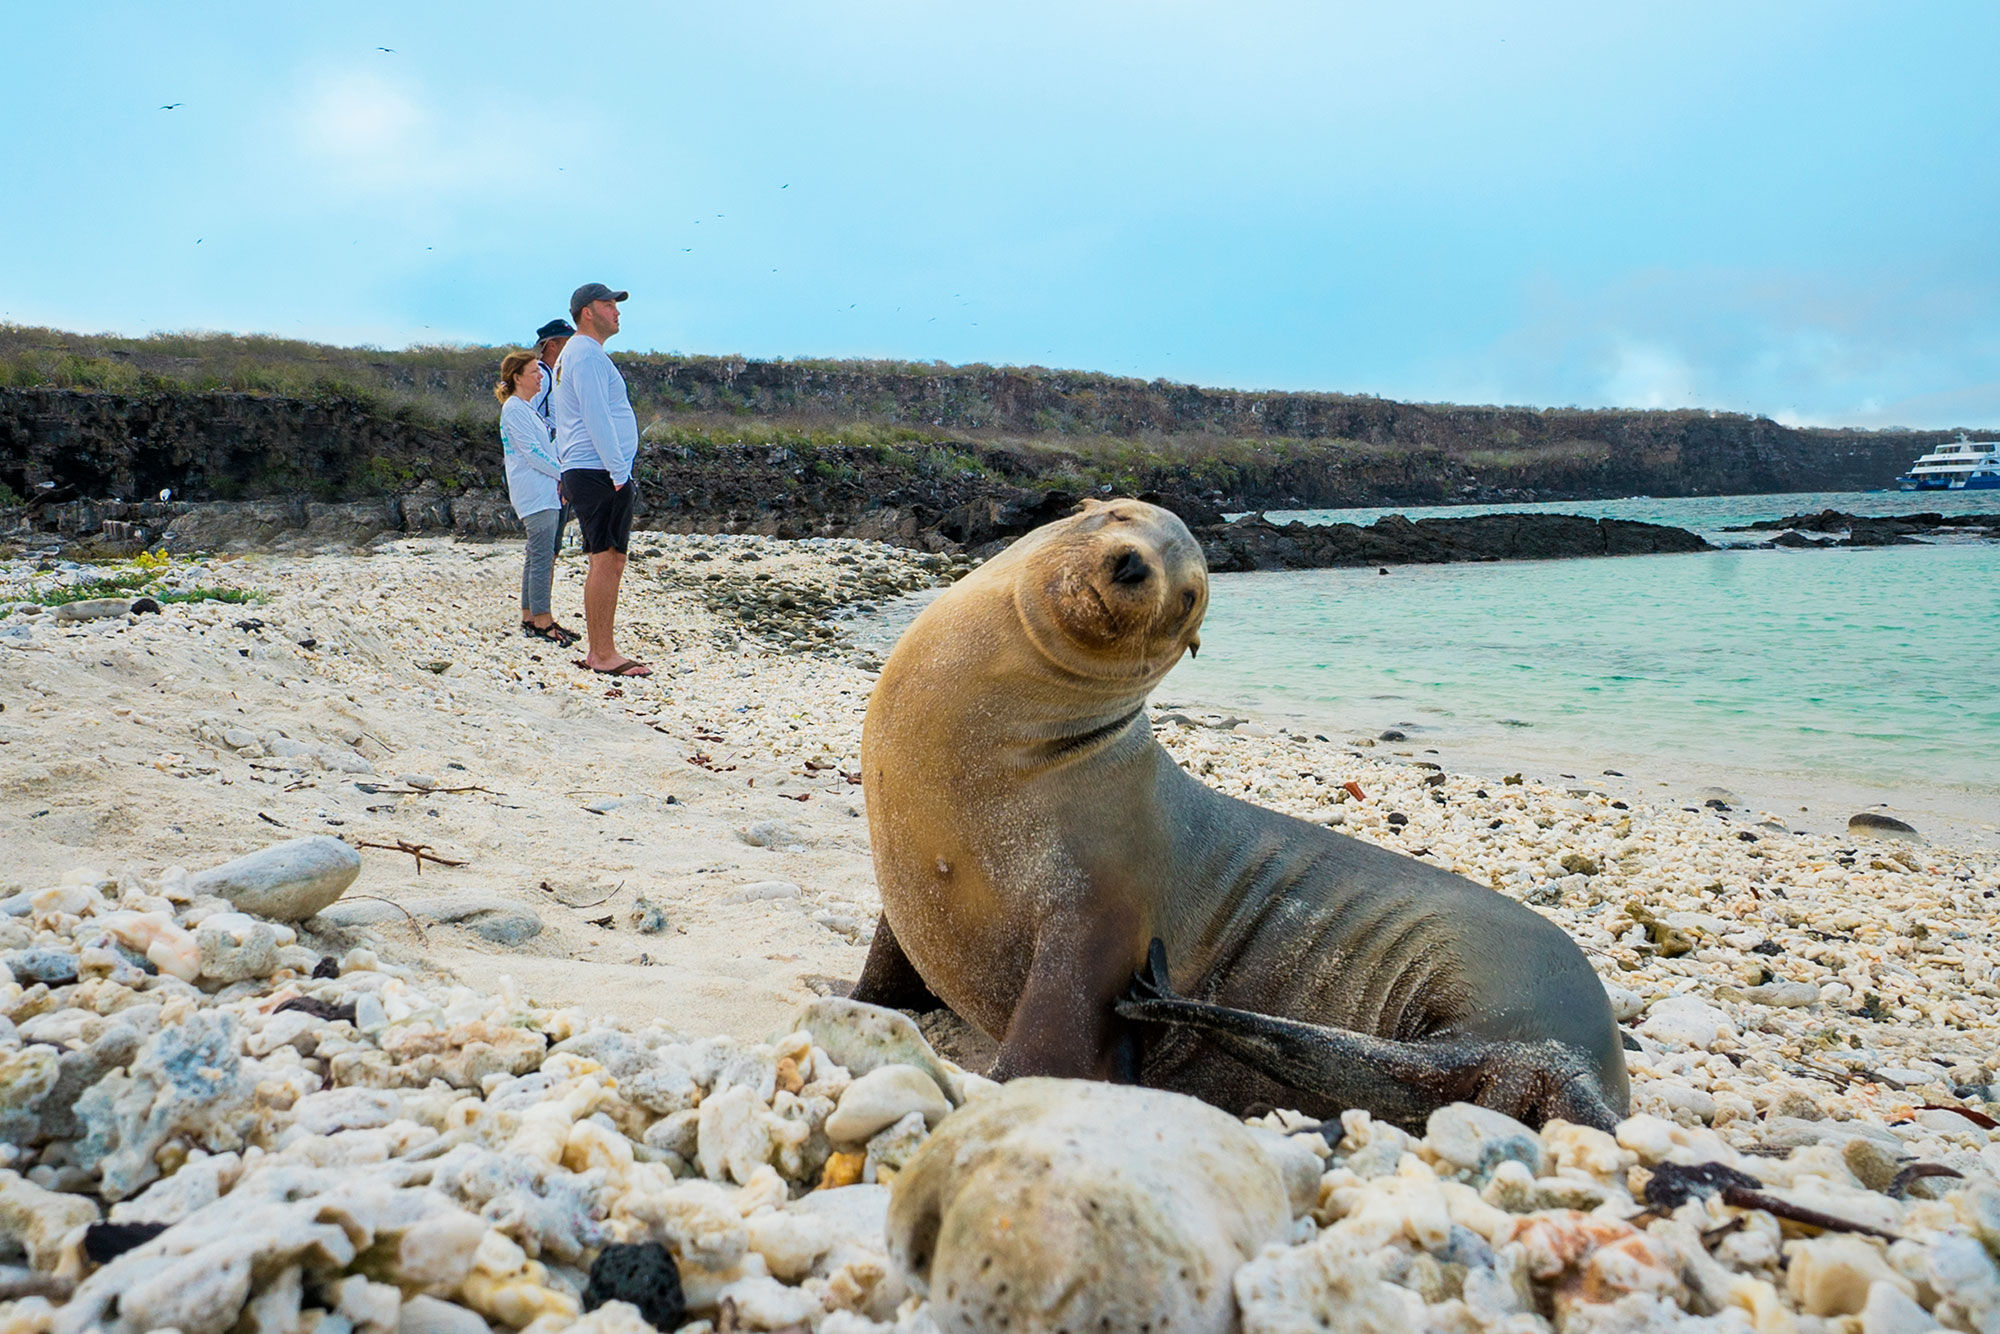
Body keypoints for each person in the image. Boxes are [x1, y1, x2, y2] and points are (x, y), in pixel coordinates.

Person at [552, 282, 650, 677]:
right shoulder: (586, 354)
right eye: (608, 303)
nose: (617, 310)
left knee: (608, 557)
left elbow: (567, 418)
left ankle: (601, 649)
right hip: (599, 469)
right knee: (607, 559)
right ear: (586, 311)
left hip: (588, 467)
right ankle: (602, 653)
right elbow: (595, 416)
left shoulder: (574, 354)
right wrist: (619, 471)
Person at [496, 351, 579, 646]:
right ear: (517, 377)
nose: (540, 376)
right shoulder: (515, 409)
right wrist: (563, 475)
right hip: (535, 492)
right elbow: (532, 453)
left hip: (541, 490)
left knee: (536, 554)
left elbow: (545, 448)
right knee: (543, 555)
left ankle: (530, 614)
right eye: (534, 372)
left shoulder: (526, 409)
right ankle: (543, 621)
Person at [531, 318, 573, 423]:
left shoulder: (553, 375)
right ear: (552, 345)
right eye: (568, 342)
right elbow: (525, 415)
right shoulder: (541, 374)